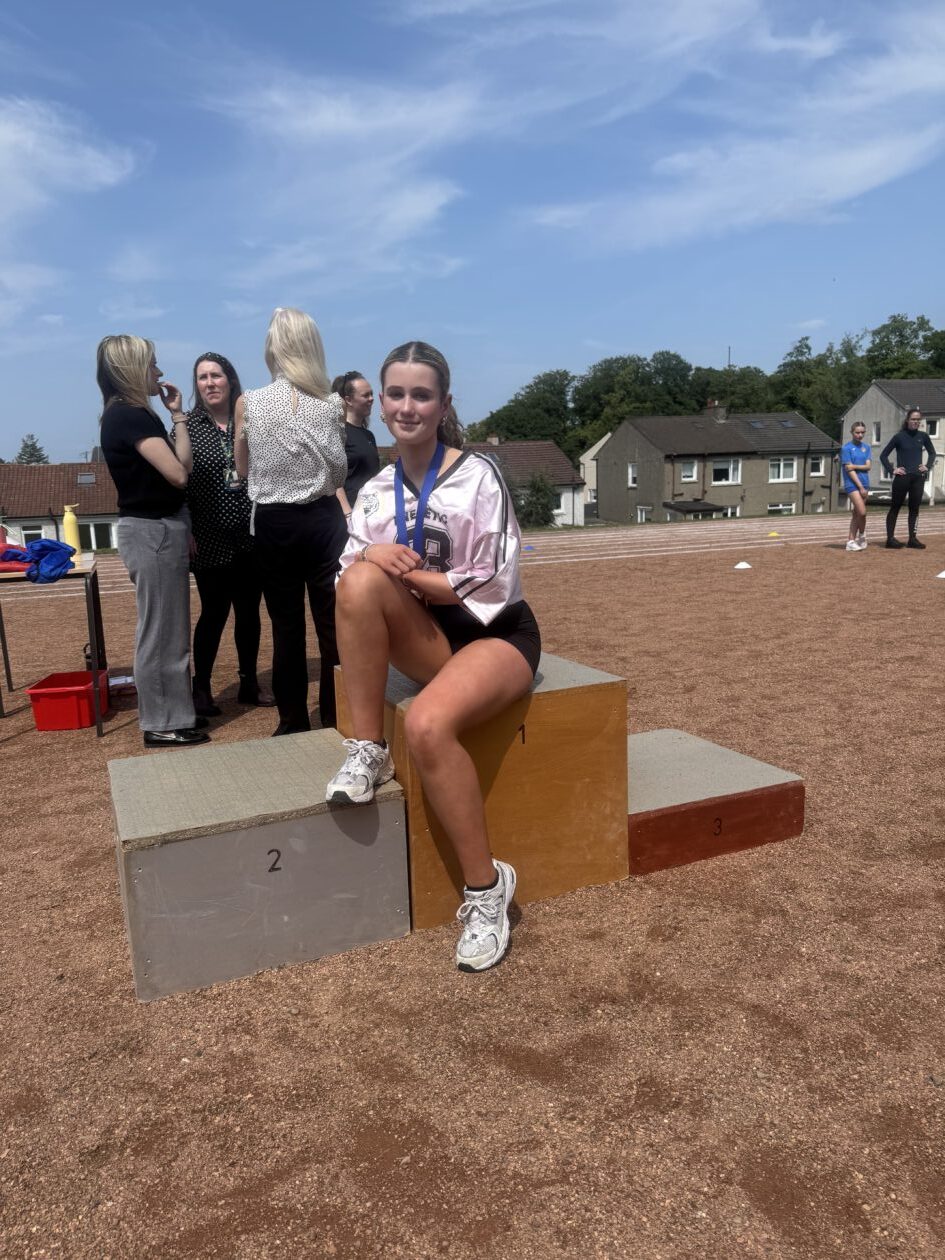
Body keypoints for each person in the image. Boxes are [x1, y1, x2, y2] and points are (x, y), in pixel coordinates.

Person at [326, 341, 541, 973]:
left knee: (425, 723)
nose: (407, 406)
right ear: (379, 405)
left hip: (496, 634)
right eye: (396, 394)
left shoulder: (479, 475)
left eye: (422, 395)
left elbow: (494, 578)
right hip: (432, 635)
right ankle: (368, 747)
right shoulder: (376, 489)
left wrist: (406, 573)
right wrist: (372, 555)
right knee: (357, 582)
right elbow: (349, 572)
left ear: (444, 405)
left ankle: (487, 890)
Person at [234, 308, 348, 734]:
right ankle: (336, 713)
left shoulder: (250, 402)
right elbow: (339, 472)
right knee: (333, 626)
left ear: (273, 347)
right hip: (323, 519)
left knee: (286, 628)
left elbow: (243, 469)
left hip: (274, 522)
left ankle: (292, 719)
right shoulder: (332, 403)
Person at [97, 335, 209, 747]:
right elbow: (179, 474)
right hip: (152, 531)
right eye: (152, 364)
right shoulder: (130, 416)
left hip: (157, 528)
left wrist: (177, 416)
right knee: (162, 633)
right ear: (131, 369)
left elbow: (182, 468)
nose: (159, 372)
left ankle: (173, 714)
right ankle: (162, 722)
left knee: (168, 631)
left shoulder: (130, 414)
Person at [183, 352, 275, 717]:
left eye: (216, 375)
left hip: (250, 534)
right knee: (214, 612)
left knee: (249, 612)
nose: (210, 383)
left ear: (230, 379)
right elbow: (177, 483)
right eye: (202, 377)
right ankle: (201, 687)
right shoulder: (188, 427)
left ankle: (249, 682)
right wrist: (186, 528)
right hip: (209, 535)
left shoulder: (250, 421)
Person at [880, 408, 937, 549]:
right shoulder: (899, 437)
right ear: (907, 420)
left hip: (918, 478)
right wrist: (893, 470)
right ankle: (890, 539)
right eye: (913, 419)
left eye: (918, 419)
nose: (915, 422)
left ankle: (912, 539)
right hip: (902, 478)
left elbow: (932, 453)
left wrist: (927, 466)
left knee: (914, 509)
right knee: (895, 507)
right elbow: (883, 455)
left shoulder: (923, 436)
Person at [331, 371, 381, 520]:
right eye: (366, 395)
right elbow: (333, 478)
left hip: (371, 514)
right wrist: (347, 514)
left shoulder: (368, 435)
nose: (371, 398)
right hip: (349, 515)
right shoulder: (338, 432)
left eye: (371, 394)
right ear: (349, 400)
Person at [841, 421, 871, 551]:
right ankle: (862, 535)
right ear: (852, 432)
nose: (860, 435)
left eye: (862, 432)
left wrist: (854, 466)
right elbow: (849, 471)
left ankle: (851, 541)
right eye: (857, 432)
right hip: (852, 484)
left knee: (857, 514)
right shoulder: (846, 449)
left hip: (865, 482)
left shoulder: (866, 447)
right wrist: (860, 487)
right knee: (862, 512)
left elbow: (868, 466)